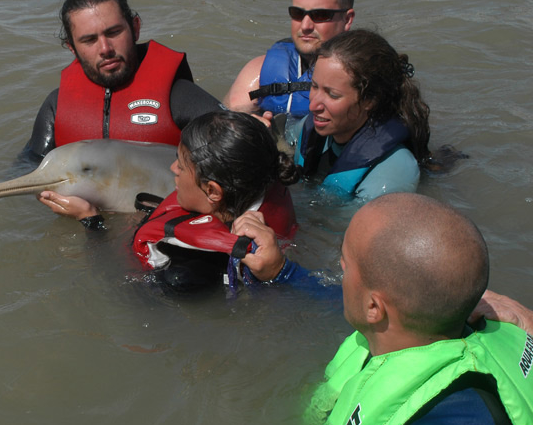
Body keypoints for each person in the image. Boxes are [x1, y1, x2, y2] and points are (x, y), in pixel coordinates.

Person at [233, 193, 533, 423]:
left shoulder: (461, 413)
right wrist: (282, 273)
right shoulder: (418, 322)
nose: (340, 266)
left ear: (374, 308)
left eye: (346, 263)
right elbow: (341, 298)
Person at [24, 0, 222, 220]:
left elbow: (240, 152)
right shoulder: (56, 107)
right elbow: (28, 168)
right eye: (89, 40)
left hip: (162, 231)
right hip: (87, 230)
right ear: (72, 48)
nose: (105, 48)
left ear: (135, 28)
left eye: (114, 32)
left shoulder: (178, 96)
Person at [131, 111, 302, 292]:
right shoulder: (264, 178)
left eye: (180, 165)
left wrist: (97, 225)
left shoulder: (191, 266)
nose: (173, 168)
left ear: (212, 191)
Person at [291, 29, 431, 200]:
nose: (313, 105)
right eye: (314, 86)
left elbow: (349, 225)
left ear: (369, 100)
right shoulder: (314, 125)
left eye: (332, 95)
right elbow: (284, 140)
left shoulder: (393, 170)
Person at [223, 0, 354, 117]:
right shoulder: (258, 71)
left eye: (319, 15)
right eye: (298, 13)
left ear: (347, 19)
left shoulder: (363, 76)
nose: (305, 26)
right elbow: (226, 126)